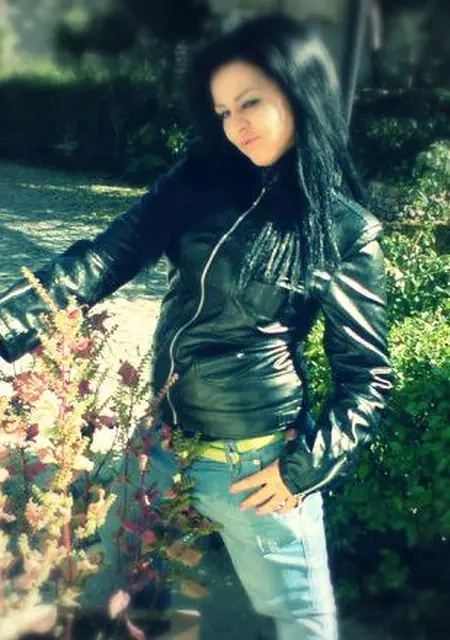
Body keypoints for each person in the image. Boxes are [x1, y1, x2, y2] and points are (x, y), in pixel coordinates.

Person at [0, 14, 392, 640]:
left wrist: (301, 471)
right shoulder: (199, 182)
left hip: (255, 464)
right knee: (139, 607)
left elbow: (367, 377)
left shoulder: (345, 231)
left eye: (250, 101)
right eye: (222, 111)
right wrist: (7, 322)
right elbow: (104, 258)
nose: (235, 124)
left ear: (300, 91)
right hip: (161, 447)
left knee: (305, 625)